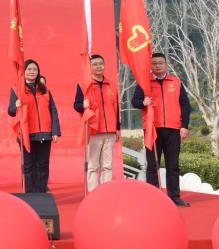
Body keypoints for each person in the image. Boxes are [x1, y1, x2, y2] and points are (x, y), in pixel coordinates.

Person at [131, 51, 192, 206]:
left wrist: (184, 126)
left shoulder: (176, 82)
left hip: (173, 129)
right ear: (150, 66)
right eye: (154, 63)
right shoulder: (144, 82)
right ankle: (153, 197)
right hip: (152, 129)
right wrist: (143, 102)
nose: (157, 66)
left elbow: (185, 105)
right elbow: (134, 101)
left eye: (160, 63)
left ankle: (174, 197)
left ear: (166, 64)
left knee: (173, 165)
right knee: (152, 165)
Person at [8, 59, 60, 194]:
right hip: (27, 134)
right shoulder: (17, 90)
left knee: (43, 165)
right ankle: (29, 194)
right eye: (29, 69)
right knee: (28, 166)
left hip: (45, 133)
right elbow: (11, 111)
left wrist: (55, 131)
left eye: (35, 69)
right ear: (23, 72)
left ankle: (41, 192)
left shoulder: (45, 90)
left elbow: (53, 110)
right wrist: (16, 105)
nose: (32, 72)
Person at [73, 53, 121, 191]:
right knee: (93, 166)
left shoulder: (111, 84)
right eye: (95, 64)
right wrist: (83, 105)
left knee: (107, 165)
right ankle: (94, 193)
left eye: (101, 64)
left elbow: (116, 108)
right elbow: (76, 105)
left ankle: (106, 192)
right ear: (89, 67)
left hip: (110, 131)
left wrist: (117, 128)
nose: (98, 66)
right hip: (93, 130)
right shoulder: (84, 85)